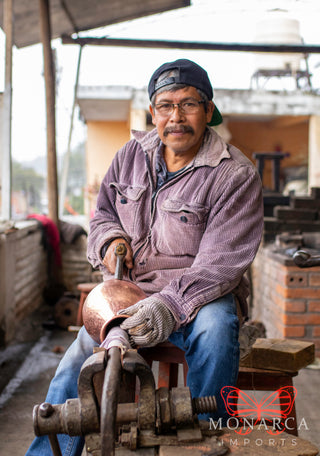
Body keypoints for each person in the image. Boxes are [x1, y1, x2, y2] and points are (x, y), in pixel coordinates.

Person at [26, 59, 263, 456]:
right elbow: (102, 213)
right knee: (75, 364)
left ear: (208, 111)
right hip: (131, 293)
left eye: (189, 104)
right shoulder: (131, 155)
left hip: (201, 296)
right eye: (166, 105)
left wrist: (167, 307)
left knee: (217, 333)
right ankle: (48, 453)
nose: (177, 117)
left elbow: (220, 264)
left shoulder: (234, 175)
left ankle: (208, 439)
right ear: (153, 112)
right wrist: (110, 240)